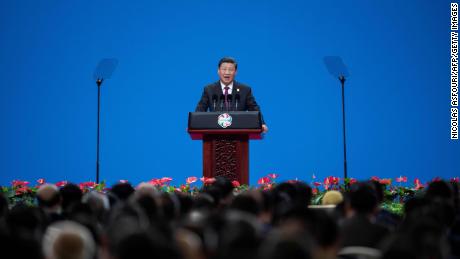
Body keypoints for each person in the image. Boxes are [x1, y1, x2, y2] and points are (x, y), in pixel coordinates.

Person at [195, 57, 268, 132]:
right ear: (218, 71)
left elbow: (254, 108)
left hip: (239, 132)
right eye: (224, 69)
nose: (227, 72)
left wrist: (261, 123)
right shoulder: (209, 89)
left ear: (235, 72)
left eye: (230, 69)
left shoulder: (245, 90)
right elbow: (200, 109)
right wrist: (195, 123)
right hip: (215, 132)